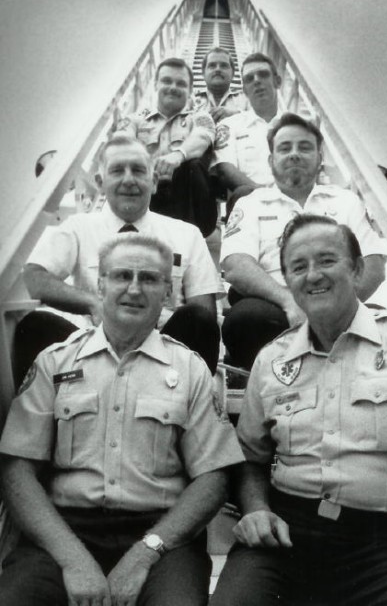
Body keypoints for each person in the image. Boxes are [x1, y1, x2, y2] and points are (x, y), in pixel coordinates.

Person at [211, 213, 387, 606]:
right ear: (287, 281)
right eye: (298, 267)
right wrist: (256, 509)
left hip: (384, 546)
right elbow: (250, 460)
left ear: (357, 270)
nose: (313, 276)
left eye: (327, 261)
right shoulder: (272, 361)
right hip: (286, 536)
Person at [0, 233, 244, 606]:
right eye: (121, 276)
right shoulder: (54, 363)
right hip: (63, 530)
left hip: (163, 537)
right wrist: (73, 559)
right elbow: (18, 470)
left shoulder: (191, 370)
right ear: (100, 285)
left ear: (167, 293)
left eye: (148, 279)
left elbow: (213, 478)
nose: (134, 288)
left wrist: (145, 553)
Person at [23, 135, 222, 374]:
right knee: (35, 326)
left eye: (138, 171)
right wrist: (94, 304)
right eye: (117, 171)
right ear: (100, 181)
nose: (129, 180)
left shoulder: (187, 234)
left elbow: (204, 312)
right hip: (92, 350)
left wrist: (152, 321)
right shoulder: (78, 227)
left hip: (165, 355)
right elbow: (35, 278)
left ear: (155, 181)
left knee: (199, 321)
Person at [221, 113, 387, 370]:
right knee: (245, 319)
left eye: (305, 147)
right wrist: (290, 301)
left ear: (320, 159)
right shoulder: (250, 203)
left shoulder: (345, 201)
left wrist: (337, 308)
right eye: (285, 148)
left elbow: (374, 265)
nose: (294, 154)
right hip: (276, 308)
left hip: (342, 305)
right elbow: (235, 265)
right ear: (271, 159)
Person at [115, 57, 217, 237]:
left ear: (190, 89)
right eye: (167, 81)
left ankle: (184, 240)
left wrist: (177, 156)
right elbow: (121, 141)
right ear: (156, 84)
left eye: (181, 83)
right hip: (148, 193)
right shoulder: (136, 119)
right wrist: (148, 166)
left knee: (193, 165)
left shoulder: (200, 117)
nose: (173, 87)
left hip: (189, 206)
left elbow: (202, 137)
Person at [209, 52, 286, 193]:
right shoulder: (230, 125)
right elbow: (226, 169)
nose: (256, 81)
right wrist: (266, 196)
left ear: (277, 81)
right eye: (249, 79)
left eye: (263, 75)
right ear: (244, 90)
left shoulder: (296, 125)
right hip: (250, 202)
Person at [193, 46, 248, 123]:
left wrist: (237, 115)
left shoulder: (246, 100)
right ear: (203, 73)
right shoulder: (191, 101)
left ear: (233, 73)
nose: (218, 69)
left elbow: (260, 121)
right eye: (212, 65)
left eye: (224, 65)